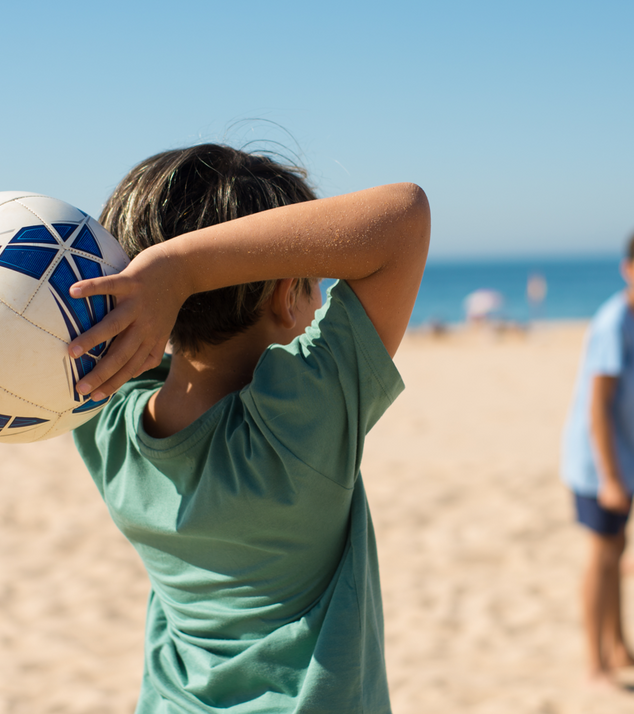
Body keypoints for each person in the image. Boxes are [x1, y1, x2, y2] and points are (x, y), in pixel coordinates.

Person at [66, 144, 430, 713]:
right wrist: (183, 270)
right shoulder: (296, 428)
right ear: (287, 295)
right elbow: (405, 217)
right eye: (312, 285)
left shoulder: (103, 423)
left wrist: (161, 278)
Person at [560, 225, 634, 688]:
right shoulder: (614, 322)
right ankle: (596, 663)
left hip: (629, 461)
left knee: (619, 548)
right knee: (602, 554)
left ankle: (620, 646)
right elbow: (598, 406)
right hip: (597, 463)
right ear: (630, 269)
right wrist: (610, 477)